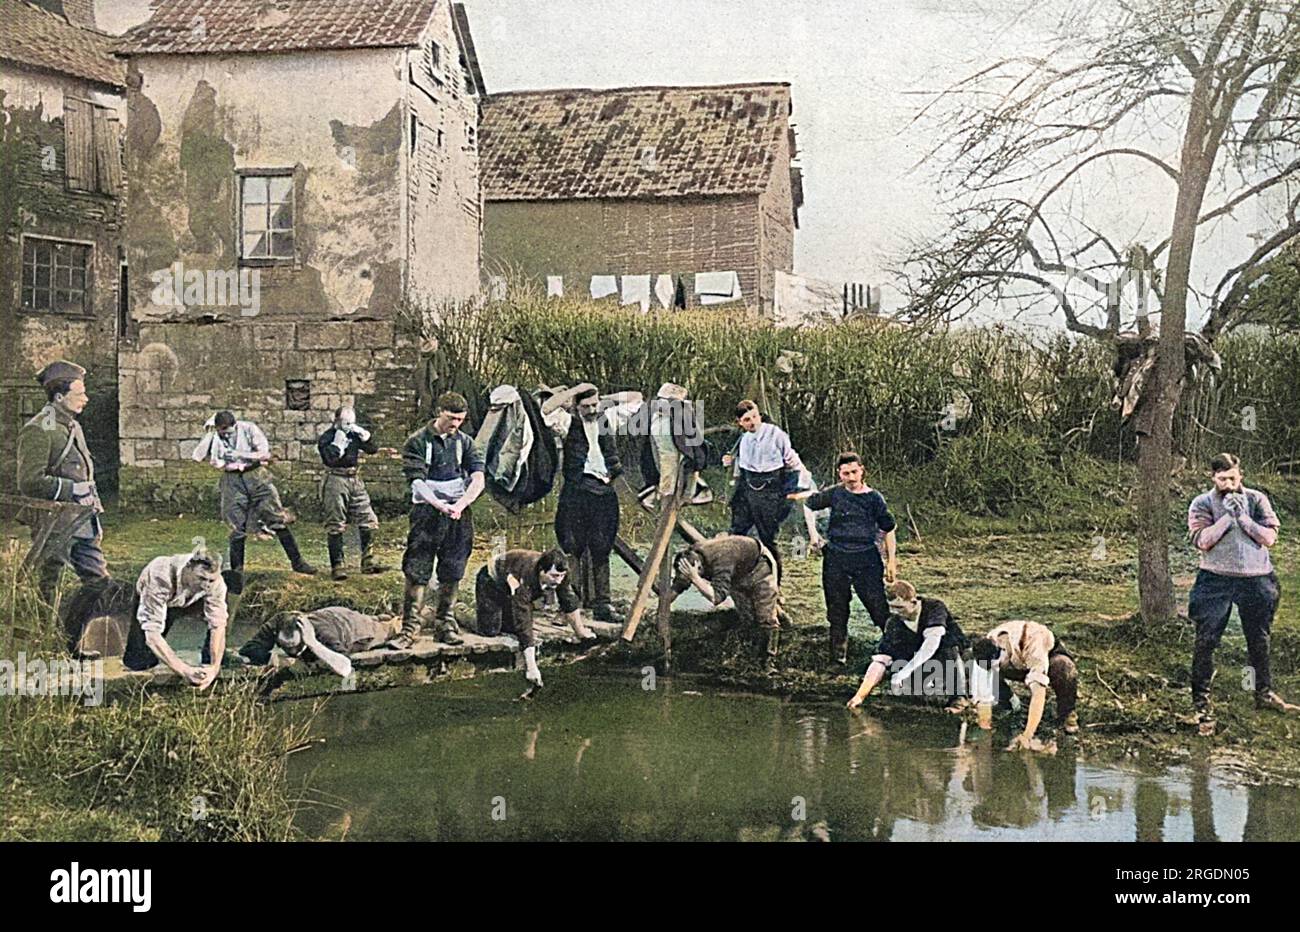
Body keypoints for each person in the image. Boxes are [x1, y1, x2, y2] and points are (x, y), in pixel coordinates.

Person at [1186, 452, 1295, 731]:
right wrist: (1227, 518)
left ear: (1240, 475)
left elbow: (1269, 538)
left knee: (1259, 638)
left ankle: (1264, 693)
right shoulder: (1202, 502)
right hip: (1215, 579)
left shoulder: (1257, 499)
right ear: (1213, 478)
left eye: (1233, 478)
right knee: (1206, 639)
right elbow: (1203, 541)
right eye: (1222, 479)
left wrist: (1244, 518)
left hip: (1256, 579)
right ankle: (1201, 701)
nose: (1229, 484)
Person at [390, 391, 485, 649]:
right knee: (418, 568)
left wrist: (461, 504)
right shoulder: (418, 441)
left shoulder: (465, 442)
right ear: (439, 412)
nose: (454, 424)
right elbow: (418, 483)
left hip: (457, 511)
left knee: (453, 567)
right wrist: (440, 505)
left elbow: (478, 477)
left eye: (460, 420)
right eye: (451, 418)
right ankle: (409, 629)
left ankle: (445, 624)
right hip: (427, 511)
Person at [15, 360, 110, 611]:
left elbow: (85, 473)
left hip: (82, 521)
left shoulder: (72, 425)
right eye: (79, 394)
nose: (86, 399)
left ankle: (76, 637)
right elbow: (28, 482)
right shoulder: (38, 429)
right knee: (50, 586)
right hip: (54, 524)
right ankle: (50, 644)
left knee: (99, 582)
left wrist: (91, 501)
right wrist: (72, 490)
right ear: (59, 397)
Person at [542, 382, 635, 623]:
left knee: (602, 548)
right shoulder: (567, 421)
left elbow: (636, 398)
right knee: (572, 547)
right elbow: (546, 409)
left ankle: (603, 604)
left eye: (595, 404)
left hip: (604, 491)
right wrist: (574, 391)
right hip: (577, 490)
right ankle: (570, 605)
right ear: (577, 406)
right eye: (586, 406)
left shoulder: (608, 418)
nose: (592, 409)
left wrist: (605, 398)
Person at [794, 452, 898, 665]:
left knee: (877, 607)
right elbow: (808, 504)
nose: (851, 477)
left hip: (866, 558)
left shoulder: (874, 498)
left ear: (862, 470)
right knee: (837, 609)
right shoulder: (835, 494)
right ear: (839, 474)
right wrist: (814, 536)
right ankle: (838, 658)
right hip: (836, 557)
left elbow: (889, 528)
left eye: (854, 472)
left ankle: (897, 651)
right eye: (845, 473)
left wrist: (892, 561)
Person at [196, 410, 316, 578]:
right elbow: (208, 458)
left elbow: (263, 452)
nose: (224, 433)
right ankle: (237, 571)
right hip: (232, 480)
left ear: (234, 425)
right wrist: (220, 457)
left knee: (275, 516)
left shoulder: (249, 429)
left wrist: (240, 455)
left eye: (226, 429)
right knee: (236, 525)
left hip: (256, 475)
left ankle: (298, 562)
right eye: (220, 430)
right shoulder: (215, 437)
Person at [472, 548, 595, 689]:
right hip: (491, 579)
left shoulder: (562, 574)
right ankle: (463, 611)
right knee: (490, 630)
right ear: (542, 570)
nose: (559, 580)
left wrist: (581, 632)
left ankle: (500, 611)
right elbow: (524, 619)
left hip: (510, 583)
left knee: (510, 628)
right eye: (554, 576)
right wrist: (531, 667)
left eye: (561, 576)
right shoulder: (526, 575)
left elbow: (568, 600)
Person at [846, 579, 967, 711]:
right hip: (918, 660)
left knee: (949, 649)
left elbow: (931, 644)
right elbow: (881, 661)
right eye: (891, 608)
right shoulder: (894, 623)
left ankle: (959, 699)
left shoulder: (934, 607)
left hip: (949, 655)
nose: (895, 612)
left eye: (900, 608)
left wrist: (905, 672)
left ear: (913, 602)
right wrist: (860, 696)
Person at [670, 535, 783, 672]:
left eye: (691, 575)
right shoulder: (693, 556)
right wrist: (663, 602)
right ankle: (756, 648)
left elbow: (716, 598)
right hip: (738, 574)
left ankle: (770, 661)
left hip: (760, 568)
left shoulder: (721, 560)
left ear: (698, 567)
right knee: (748, 619)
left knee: (765, 618)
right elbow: (679, 585)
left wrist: (695, 579)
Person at [121, 548, 229, 690]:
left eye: (210, 580)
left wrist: (214, 668)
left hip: (191, 600)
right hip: (159, 597)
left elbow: (218, 625)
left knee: (223, 600)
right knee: (138, 661)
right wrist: (184, 670)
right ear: (188, 567)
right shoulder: (159, 574)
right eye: (201, 578)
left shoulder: (215, 583)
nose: (206, 585)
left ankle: (210, 659)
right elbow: (152, 634)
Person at [724, 400, 806, 582]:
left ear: (759, 414)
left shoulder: (776, 434)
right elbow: (739, 469)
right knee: (736, 534)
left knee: (768, 539)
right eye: (747, 420)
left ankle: (775, 583)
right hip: (748, 489)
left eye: (754, 416)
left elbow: (793, 464)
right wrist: (728, 462)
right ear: (740, 422)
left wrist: (790, 493)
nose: (752, 422)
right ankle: (737, 579)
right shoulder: (743, 439)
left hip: (771, 491)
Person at [969, 619, 1079, 751]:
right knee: (990, 674)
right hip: (1016, 662)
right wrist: (984, 724)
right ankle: (1009, 704)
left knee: (1064, 667)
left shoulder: (1034, 641)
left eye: (997, 663)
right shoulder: (989, 642)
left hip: (1049, 658)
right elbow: (983, 690)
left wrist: (1027, 735)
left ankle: (1067, 713)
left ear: (1002, 648)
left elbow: (1039, 693)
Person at [317, 405, 386, 581]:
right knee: (335, 521)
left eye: (351, 422)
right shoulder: (327, 437)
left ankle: (368, 561)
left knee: (368, 519)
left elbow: (372, 449)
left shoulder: (354, 434)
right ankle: (338, 565)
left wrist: (365, 435)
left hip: (354, 478)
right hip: (335, 479)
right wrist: (337, 445)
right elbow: (330, 459)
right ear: (337, 421)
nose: (348, 425)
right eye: (345, 422)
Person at [239, 607, 402, 677]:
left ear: (305, 634)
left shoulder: (322, 634)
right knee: (378, 619)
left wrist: (313, 644)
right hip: (328, 614)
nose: (293, 653)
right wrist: (274, 658)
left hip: (352, 628)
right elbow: (248, 650)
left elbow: (345, 668)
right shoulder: (278, 622)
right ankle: (382, 617)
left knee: (390, 629)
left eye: (296, 647)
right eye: (286, 647)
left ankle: (422, 616)